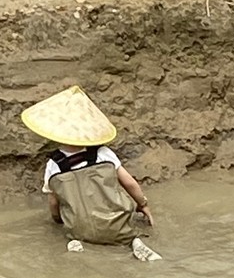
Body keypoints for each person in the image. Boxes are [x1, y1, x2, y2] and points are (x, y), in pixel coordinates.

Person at [20, 85, 156, 258]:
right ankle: (133, 242)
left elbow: (53, 204)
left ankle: (75, 242)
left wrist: (58, 220)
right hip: (116, 224)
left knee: (72, 231)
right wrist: (143, 205)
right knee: (127, 233)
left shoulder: (54, 164)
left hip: (79, 227)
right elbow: (130, 184)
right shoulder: (104, 154)